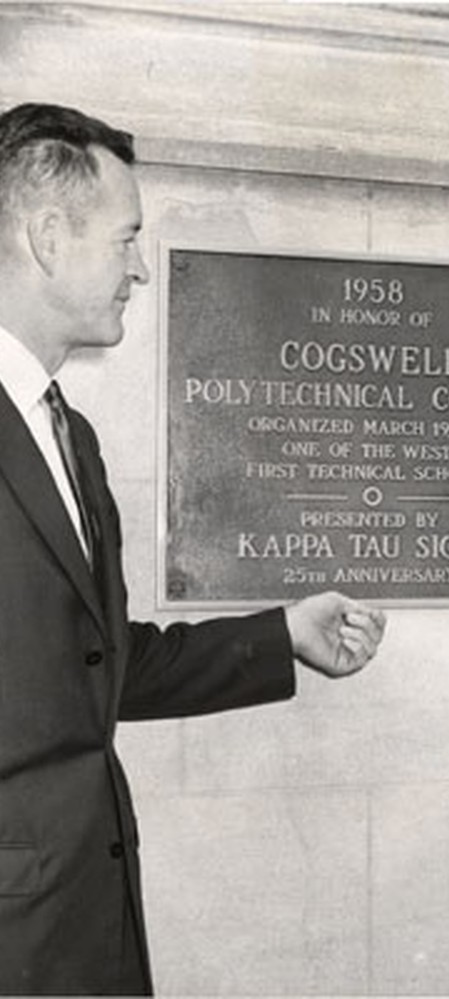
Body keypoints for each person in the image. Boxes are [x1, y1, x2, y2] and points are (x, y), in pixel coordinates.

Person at [0, 102, 386, 995]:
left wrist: (282, 632)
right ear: (49, 237)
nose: (140, 267)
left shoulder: (69, 434)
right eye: (127, 238)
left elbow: (101, 664)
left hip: (88, 925)